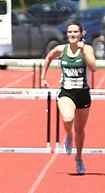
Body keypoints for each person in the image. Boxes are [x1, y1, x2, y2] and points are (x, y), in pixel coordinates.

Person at [41, 21, 97, 175]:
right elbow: (48, 57)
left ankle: (78, 158)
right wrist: (43, 77)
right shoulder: (61, 49)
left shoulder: (87, 49)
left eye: (75, 32)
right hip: (66, 92)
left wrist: (84, 52)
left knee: (80, 129)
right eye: (69, 32)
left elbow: (93, 68)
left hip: (83, 93)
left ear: (81, 34)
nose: (72, 35)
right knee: (67, 118)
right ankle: (68, 135)